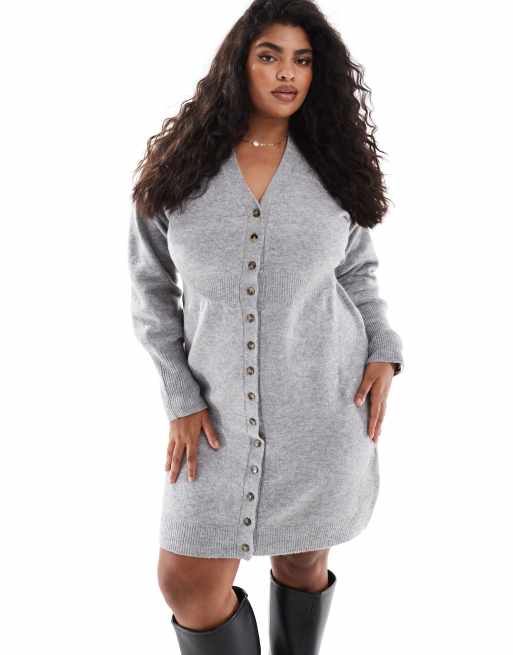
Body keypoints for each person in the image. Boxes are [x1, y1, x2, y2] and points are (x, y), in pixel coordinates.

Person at [127, 1, 404, 653]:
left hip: (323, 408)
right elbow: (150, 290)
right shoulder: (179, 169)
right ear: (238, 64)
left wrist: (383, 349)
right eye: (269, 56)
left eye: (302, 60)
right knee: (188, 582)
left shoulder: (332, 168)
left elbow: (357, 272)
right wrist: (181, 398)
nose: (287, 73)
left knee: (303, 562)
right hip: (213, 419)